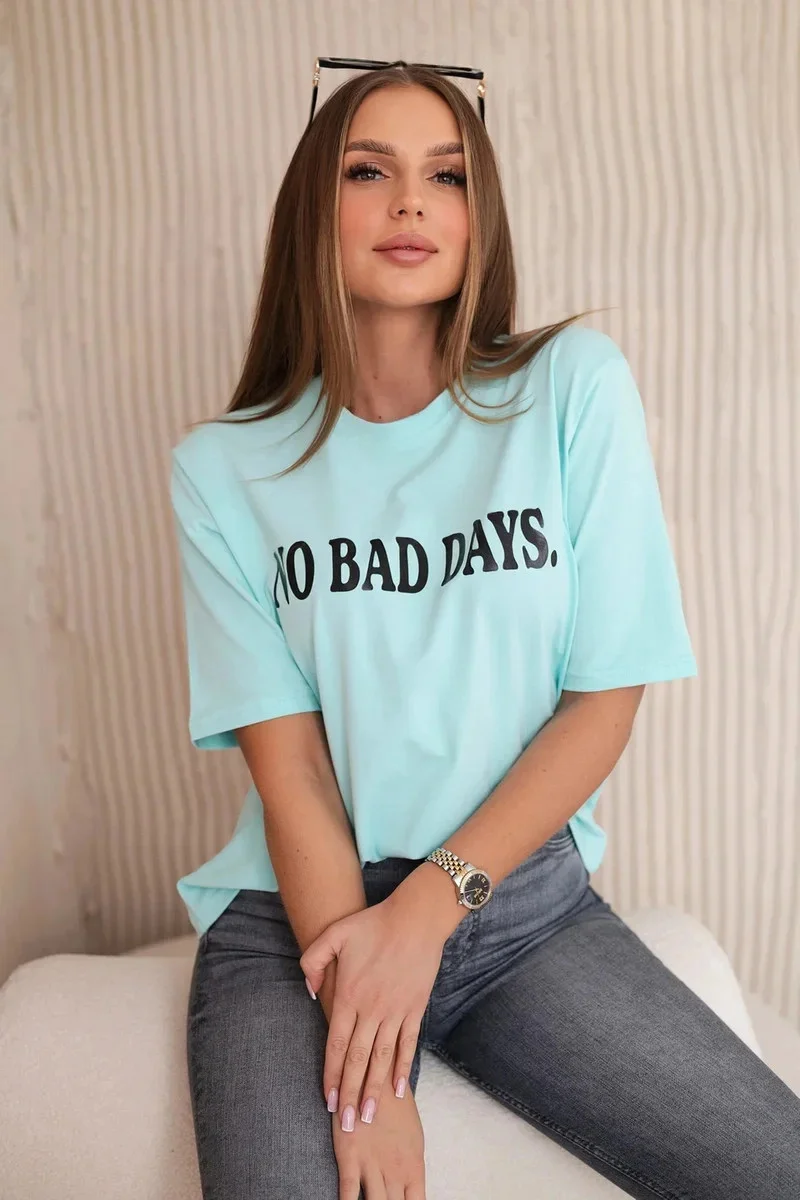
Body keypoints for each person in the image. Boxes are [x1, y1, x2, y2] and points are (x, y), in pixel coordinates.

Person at [171, 63, 800, 1200]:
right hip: (295, 928)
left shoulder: (569, 389)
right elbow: (291, 767)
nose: (412, 201)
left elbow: (602, 700)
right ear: (315, 206)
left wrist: (424, 915)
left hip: (512, 908)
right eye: (369, 171)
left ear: (479, 216)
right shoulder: (224, 470)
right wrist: (373, 1066)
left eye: (447, 176)